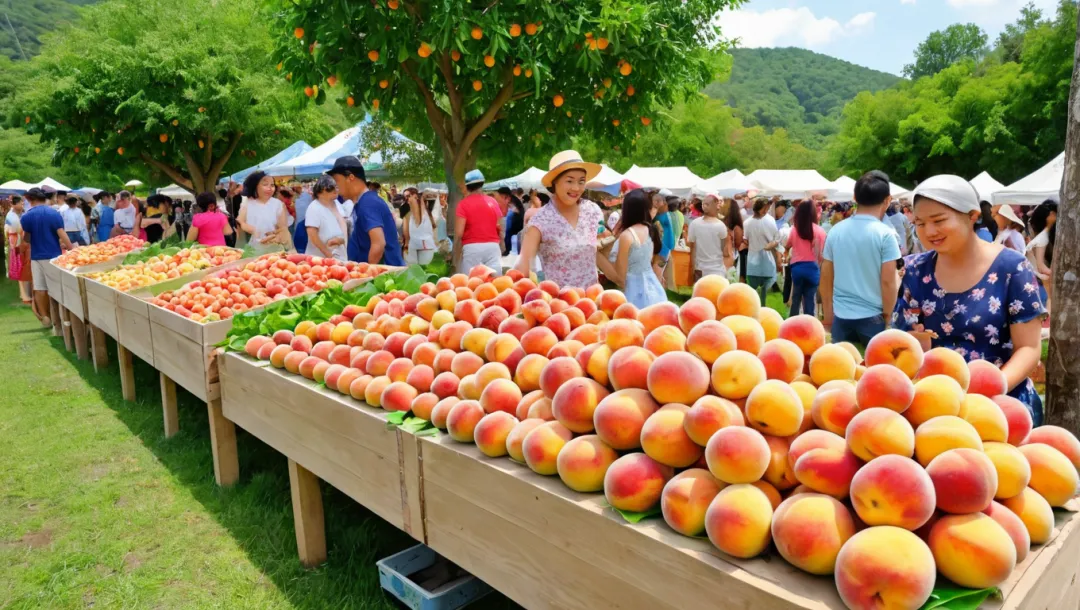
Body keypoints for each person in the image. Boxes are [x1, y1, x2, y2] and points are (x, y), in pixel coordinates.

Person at [893, 175, 1045, 425]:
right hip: (935, 408)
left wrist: (991, 391)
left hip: (1000, 408)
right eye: (919, 223)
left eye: (939, 220)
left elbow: (1028, 348)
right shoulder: (915, 270)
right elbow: (905, 344)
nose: (929, 231)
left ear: (972, 215)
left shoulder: (1011, 268)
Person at [820, 170, 902, 346]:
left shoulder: (836, 231)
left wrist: (828, 317)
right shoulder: (887, 235)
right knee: (875, 370)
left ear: (855, 197)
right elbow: (888, 282)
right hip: (874, 317)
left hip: (841, 316)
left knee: (841, 369)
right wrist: (888, 320)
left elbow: (826, 277)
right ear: (887, 201)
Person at [516, 150, 614, 289]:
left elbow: (601, 244)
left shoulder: (592, 211)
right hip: (558, 304)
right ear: (554, 182)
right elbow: (523, 269)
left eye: (581, 181)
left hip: (592, 301)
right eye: (569, 181)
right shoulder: (540, 221)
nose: (576, 188)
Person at [328, 156, 404, 266]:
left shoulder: (367, 203)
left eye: (337, 181)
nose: (336, 187)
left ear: (350, 177)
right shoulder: (365, 201)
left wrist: (366, 274)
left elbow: (378, 244)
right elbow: (365, 238)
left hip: (382, 276)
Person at [20, 188, 73, 326]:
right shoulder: (54, 213)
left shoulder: (26, 217)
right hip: (54, 257)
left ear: (30, 199)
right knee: (56, 287)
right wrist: (71, 248)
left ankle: (46, 317)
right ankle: (61, 318)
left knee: (40, 288)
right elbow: (62, 234)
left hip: (37, 256)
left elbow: (26, 238)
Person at [607, 189, 665, 308]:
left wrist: (600, 259)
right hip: (652, 287)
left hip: (633, 290)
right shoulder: (651, 229)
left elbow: (620, 277)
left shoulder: (627, 235)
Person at [451, 170, 504, 273]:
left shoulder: (463, 204)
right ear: (482, 184)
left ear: (467, 186)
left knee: (472, 284)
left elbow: (459, 233)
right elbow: (499, 225)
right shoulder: (493, 202)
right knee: (495, 283)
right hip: (493, 247)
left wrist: (456, 255)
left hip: (472, 248)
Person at [786, 199, 827, 317]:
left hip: (797, 268)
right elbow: (821, 253)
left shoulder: (795, 229)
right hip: (813, 268)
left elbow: (788, 245)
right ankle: (810, 325)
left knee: (796, 299)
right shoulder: (820, 231)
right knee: (810, 300)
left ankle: (792, 323)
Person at [237, 171, 290, 253]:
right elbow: (240, 222)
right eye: (265, 185)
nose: (270, 188)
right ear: (255, 186)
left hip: (274, 247)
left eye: (272, 185)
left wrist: (276, 237)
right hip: (253, 248)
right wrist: (253, 230)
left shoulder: (278, 204)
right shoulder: (247, 203)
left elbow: (283, 227)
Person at [744, 198, 780, 304]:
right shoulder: (769, 221)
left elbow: (746, 240)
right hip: (766, 262)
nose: (766, 211)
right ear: (760, 209)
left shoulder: (747, 222)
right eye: (765, 209)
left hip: (753, 262)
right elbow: (776, 239)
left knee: (753, 293)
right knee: (764, 291)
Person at [687, 194, 731, 280]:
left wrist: (692, 268)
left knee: (700, 293)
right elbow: (725, 252)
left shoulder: (694, 224)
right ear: (716, 206)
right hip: (717, 270)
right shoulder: (721, 226)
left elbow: (692, 248)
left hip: (700, 269)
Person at [304, 176, 348, 260]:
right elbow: (312, 234)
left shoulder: (337, 204)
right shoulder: (314, 207)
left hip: (340, 255)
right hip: (320, 259)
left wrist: (341, 241)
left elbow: (344, 225)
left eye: (336, 187)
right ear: (323, 190)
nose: (336, 190)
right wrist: (329, 255)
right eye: (332, 187)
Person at [1025, 200, 1056, 309]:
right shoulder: (1043, 238)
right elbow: (1041, 266)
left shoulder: (1043, 236)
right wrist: (1057, 275)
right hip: (1042, 285)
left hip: (1040, 283)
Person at [5, 196, 31, 302]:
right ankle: (24, 295)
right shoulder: (12, 216)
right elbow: (20, 229)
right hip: (16, 244)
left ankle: (25, 294)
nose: (22, 205)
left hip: (17, 243)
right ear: (14, 204)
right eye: (21, 203)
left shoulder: (15, 214)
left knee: (23, 268)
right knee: (21, 269)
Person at [401, 187, 437, 265]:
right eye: (405, 197)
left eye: (408, 196)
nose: (406, 199)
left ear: (415, 196)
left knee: (422, 270)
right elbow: (406, 233)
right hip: (415, 246)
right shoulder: (409, 214)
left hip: (425, 247)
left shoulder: (422, 211)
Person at [723, 198, 746, 283]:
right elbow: (738, 243)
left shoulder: (735, 227)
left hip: (727, 258)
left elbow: (737, 244)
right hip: (727, 257)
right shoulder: (736, 227)